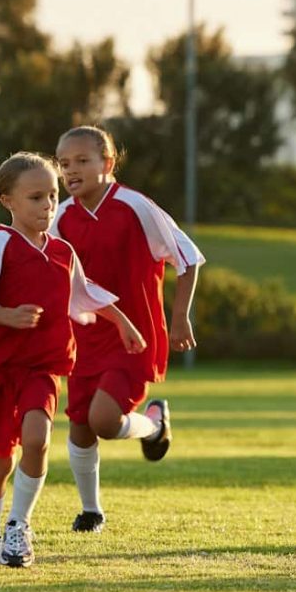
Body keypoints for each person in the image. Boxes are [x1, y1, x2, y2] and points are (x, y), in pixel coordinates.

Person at [0, 152, 145, 567]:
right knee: (1, 459)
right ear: (8, 200)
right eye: (36, 197)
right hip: (0, 370)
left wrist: (123, 322)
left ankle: (18, 527)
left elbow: (85, 293)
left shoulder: (62, 252)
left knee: (38, 440)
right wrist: (6, 315)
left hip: (42, 367)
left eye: (53, 196)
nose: (47, 206)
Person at [52, 125, 205, 534]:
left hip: (134, 337)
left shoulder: (135, 206)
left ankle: (153, 425)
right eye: (64, 163)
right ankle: (91, 511)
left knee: (104, 421)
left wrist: (179, 317)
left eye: (82, 161)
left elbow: (188, 258)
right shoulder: (61, 217)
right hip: (83, 339)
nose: (71, 170)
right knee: (80, 424)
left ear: (107, 163)